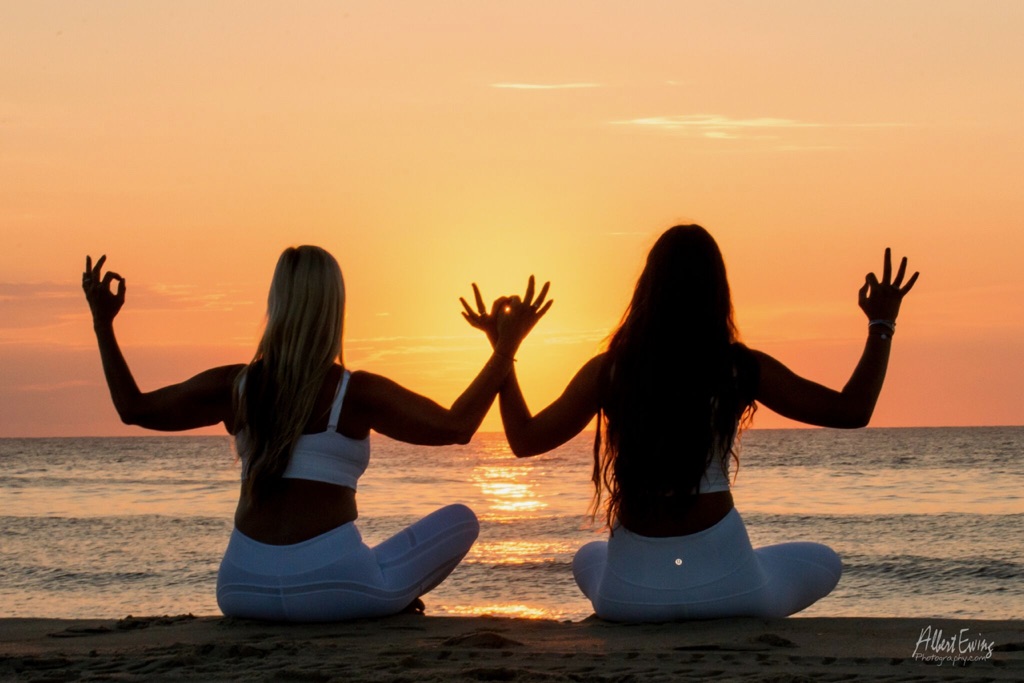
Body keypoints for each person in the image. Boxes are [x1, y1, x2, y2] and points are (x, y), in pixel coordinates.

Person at [462, 225, 918, 622]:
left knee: (589, 556)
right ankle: (718, 578)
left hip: (628, 600)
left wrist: (505, 350)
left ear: (647, 290)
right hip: (733, 592)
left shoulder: (611, 371)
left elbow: (523, 440)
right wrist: (882, 323)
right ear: (717, 292)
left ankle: (661, 587)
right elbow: (852, 411)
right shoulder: (738, 368)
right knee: (823, 560)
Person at [82, 245, 549, 622]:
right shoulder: (355, 391)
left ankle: (373, 590)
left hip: (241, 590)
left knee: (368, 559)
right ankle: (383, 599)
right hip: (335, 590)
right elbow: (457, 427)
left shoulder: (236, 386)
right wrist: (505, 347)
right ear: (334, 308)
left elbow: (134, 409)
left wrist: (103, 322)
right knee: (462, 519)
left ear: (276, 305)